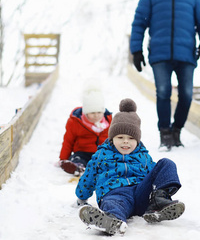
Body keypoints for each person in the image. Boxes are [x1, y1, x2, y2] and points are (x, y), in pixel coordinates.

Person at [130, 0, 200, 150]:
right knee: (164, 92)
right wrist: (136, 50)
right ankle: (165, 134)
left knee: (186, 94)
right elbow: (139, 25)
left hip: (186, 56)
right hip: (160, 55)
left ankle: (177, 131)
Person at [75, 98, 185, 235]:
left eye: (131, 138)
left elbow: (155, 174)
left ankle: (158, 202)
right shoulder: (102, 155)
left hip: (141, 194)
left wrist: (160, 187)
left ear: (137, 140)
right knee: (112, 203)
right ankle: (111, 220)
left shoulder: (143, 155)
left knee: (166, 163)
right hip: (115, 193)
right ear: (112, 138)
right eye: (120, 137)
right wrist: (81, 197)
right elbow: (89, 176)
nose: (126, 142)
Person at [58, 85, 112, 176]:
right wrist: (63, 158)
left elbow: (113, 140)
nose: (96, 115)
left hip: (101, 153)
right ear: (85, 112)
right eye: (92, 113)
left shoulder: (108, 122)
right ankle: (78, 167)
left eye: (99, 112)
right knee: (77, 158)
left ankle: (106, 169)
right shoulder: (76, 122)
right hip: (82, 151)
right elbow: (68, 141)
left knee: (108, 160)